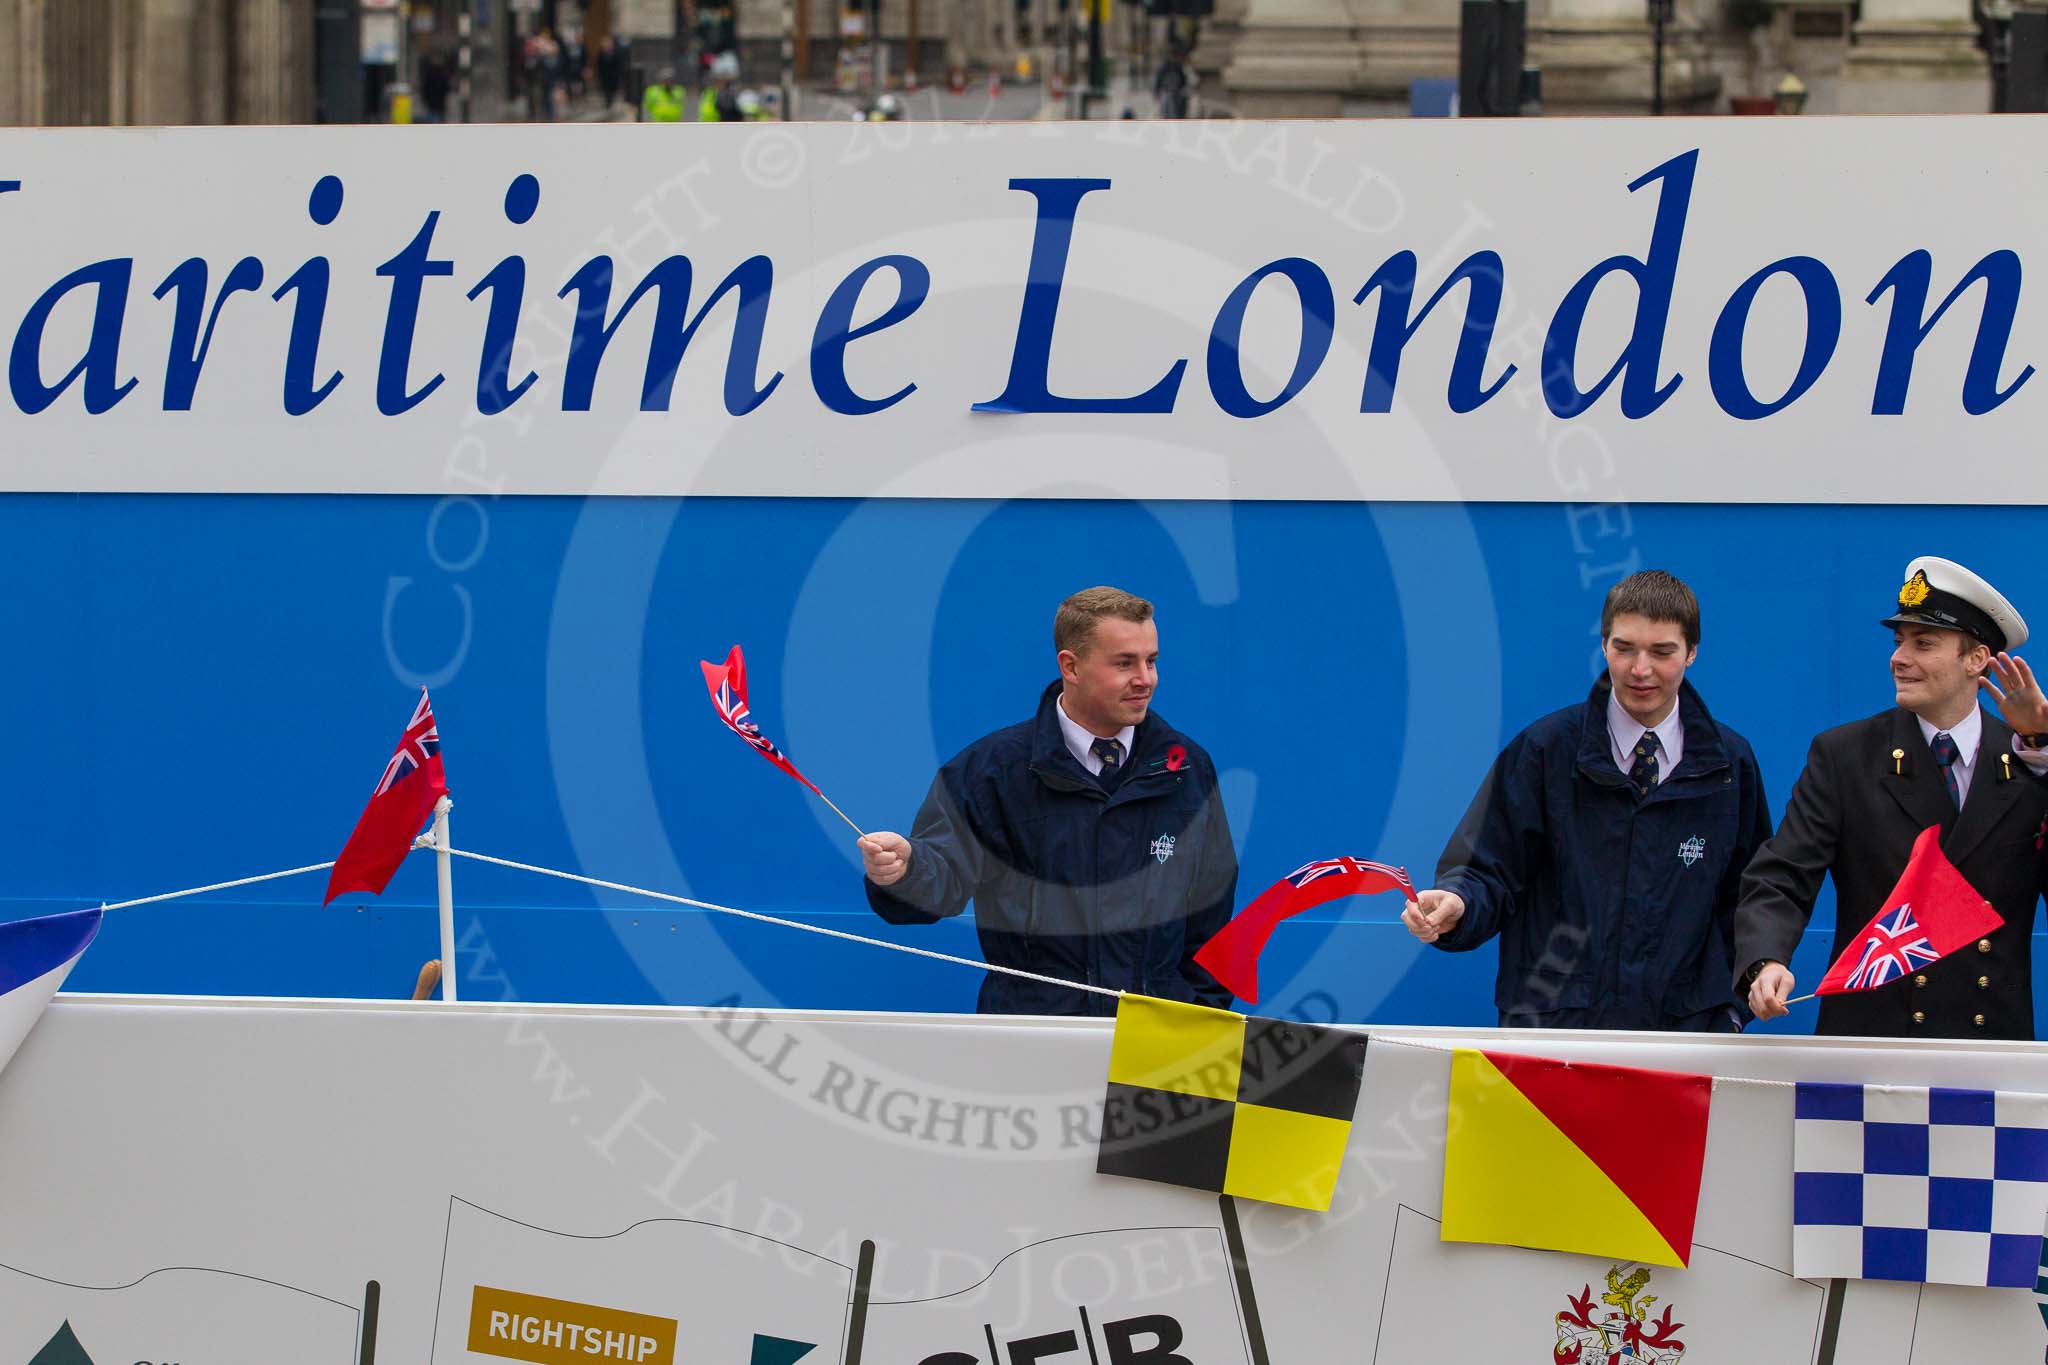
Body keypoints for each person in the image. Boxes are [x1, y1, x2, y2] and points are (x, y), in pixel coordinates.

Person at [1402, 570, 1771, 1030]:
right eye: (1624, 648)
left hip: (1687, 1038)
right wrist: (1458, 904)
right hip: (1553, 1035)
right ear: (1603, 645)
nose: (1641, 670)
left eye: (1662, 651)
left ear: (1692, 652)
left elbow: (1753, 898)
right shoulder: (1544, 751)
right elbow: (1484, 869)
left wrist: (1730, 1010)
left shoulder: (1728, 765)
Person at [858, 587, 1238, 1016]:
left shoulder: (1186, 768)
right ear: (1070, 667)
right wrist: (906, 870)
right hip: (1033, 1039)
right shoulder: (991, 771)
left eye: (1151, 661)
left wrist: (1201, 1014)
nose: (1145, 679)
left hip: (1161, 1036)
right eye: (1124, 663)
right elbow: (942, 878)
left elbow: (1213, 915)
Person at [1738, 557, 2048, 1038]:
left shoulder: (2028, 761)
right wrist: (1766, 958)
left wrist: (2042, 747)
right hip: (1872, 1042)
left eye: (1923, 643)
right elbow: (1783, 875)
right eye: (1899, 641)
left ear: (1976, 659)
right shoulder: (1845, 756)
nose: (1899, 658)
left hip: (1990, 1051)